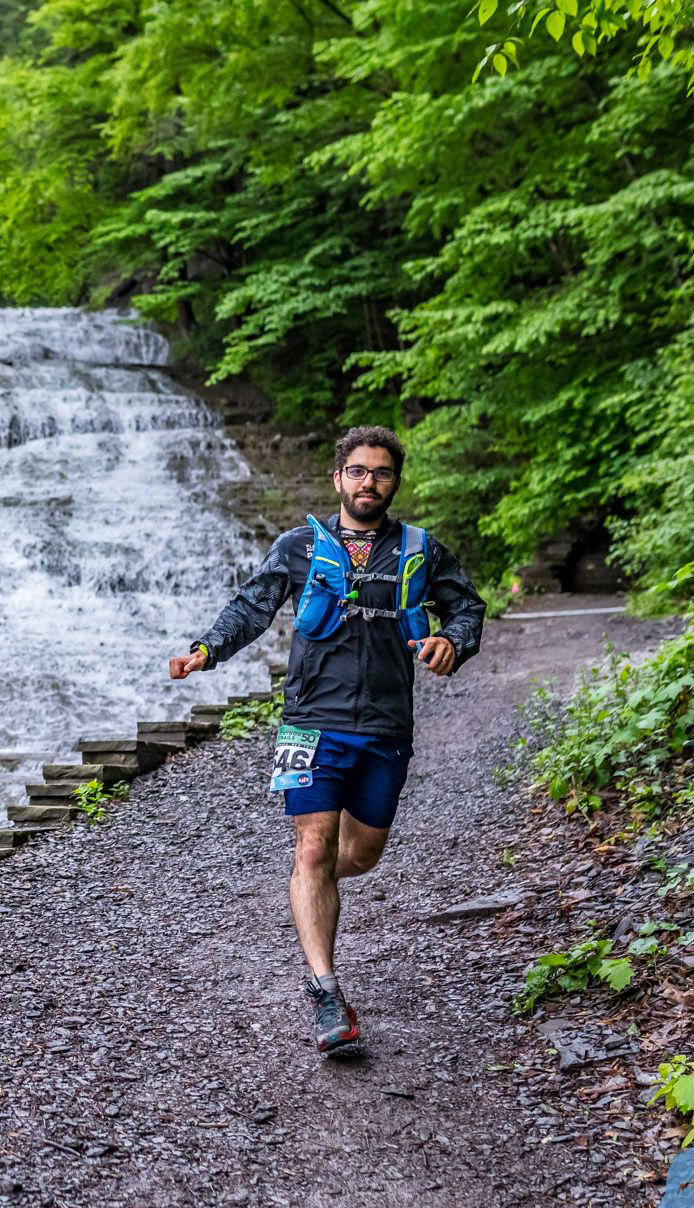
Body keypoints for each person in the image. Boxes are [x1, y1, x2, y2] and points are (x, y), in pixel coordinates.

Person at [169, 425, 486, 1053]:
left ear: (395, 482)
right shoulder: (298, 547)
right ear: (338, 478)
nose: (370, 482)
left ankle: (306, 887)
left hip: (386, 725)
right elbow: (252, 607)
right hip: (308, 720)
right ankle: (325, 991)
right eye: (359, 471)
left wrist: (455, 641)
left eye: (383, 473)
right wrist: (206, 649)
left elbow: (468, 608)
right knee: (314, 849)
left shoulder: (422, 549)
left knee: (361, 854)